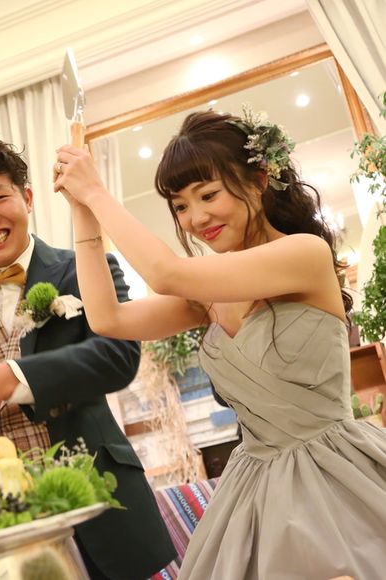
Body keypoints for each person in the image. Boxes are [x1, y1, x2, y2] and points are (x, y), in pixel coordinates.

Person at [53, 108, 386, 579]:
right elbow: (108, 318)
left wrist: (96, 191)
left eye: (208, 195)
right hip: (255, 487)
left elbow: (165, 273)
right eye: (180, 206)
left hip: (336, 477)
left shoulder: (304, 254)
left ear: (258, 180)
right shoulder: (208, 297)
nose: (196, 218)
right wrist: (81, 210)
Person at [0, 137, 176, 579]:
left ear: (27, 198)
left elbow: (117, 355)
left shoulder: (86, 266)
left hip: (102, 506)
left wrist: (7, 377)